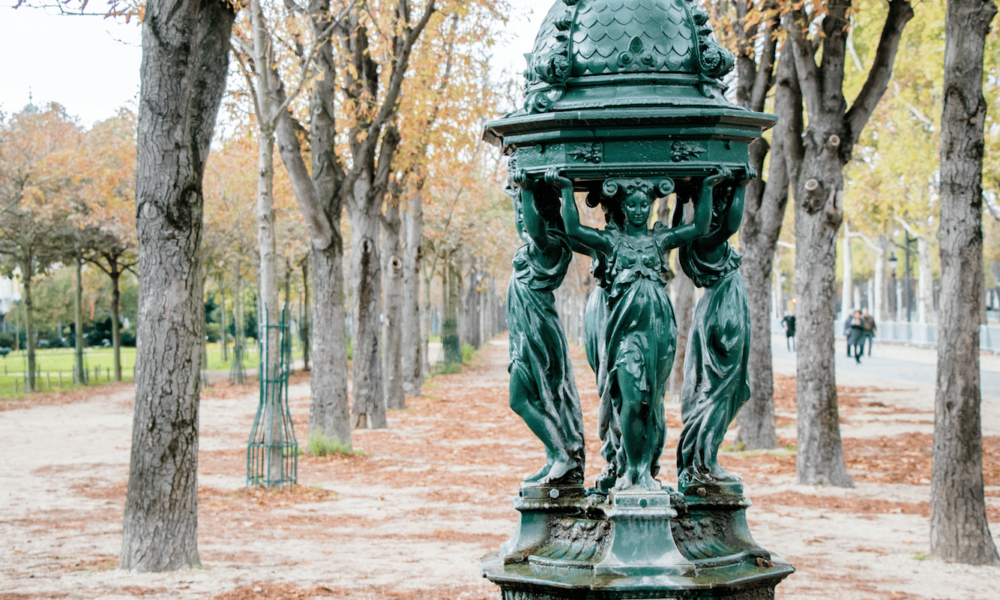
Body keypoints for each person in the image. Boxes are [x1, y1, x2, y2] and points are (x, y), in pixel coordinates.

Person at [555, 167, 722, 492]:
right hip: (626, 336)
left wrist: (709, 187)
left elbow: (699, 227)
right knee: (632, 401)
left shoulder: (659, 239)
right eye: (631, 205)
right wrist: (563, 189)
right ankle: (630, 469)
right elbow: (573, 228)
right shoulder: (612, 241)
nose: (637, 211)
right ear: (623, 207)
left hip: (658, 332)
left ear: (648, 206)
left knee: (653, 403)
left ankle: (645, 471)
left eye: (642, 205)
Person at [504, 169, 585, 486]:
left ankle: (562, 455)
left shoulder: (552, 246)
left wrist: (526, 190)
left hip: (538, 332)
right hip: (526, 332)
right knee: (536, 398)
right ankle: (555, 455)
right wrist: (517, 197)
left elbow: (533, 228)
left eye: (529, 209)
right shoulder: (533, 243)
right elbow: (524, 226)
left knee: (523, 398)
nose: (523, 220)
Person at [676, 172, 753, 489]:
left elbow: (680, 224)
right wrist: (740, 188)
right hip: (723, 315)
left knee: (716, 391)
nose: (722, 208)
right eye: (716, 204)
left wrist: (680, 202)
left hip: (719, 310)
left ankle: (703, 458)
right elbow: (731, 224)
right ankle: (705, 462)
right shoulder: (707, 239)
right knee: (717, 392)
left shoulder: (692, 242)